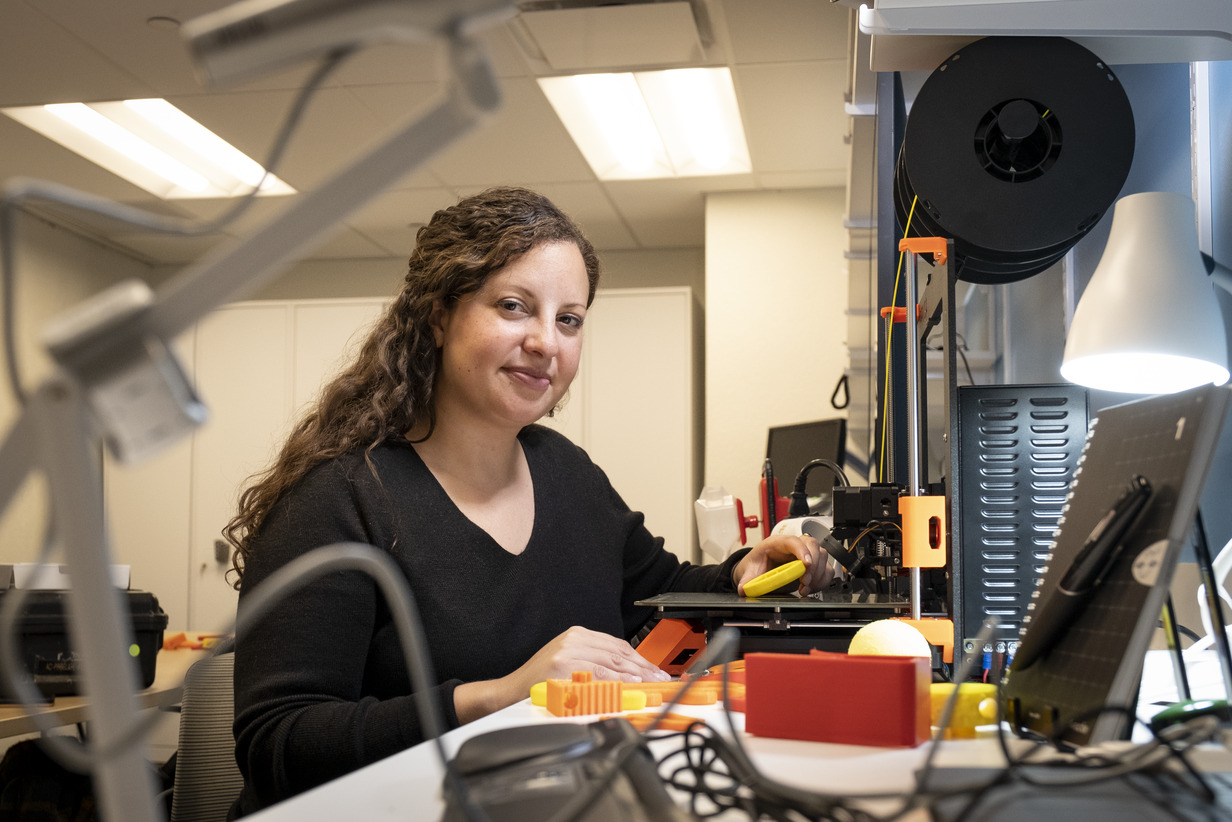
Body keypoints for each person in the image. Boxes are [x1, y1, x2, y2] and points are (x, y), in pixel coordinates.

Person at [223, 186, 830, 817]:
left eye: (568, 319)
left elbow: (660, 592)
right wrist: (501, 695)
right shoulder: (338, 498)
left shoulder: (566, 472)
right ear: (437, 315)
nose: (547, 342)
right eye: (515, 307)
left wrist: (742, 571)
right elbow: (278, 742)